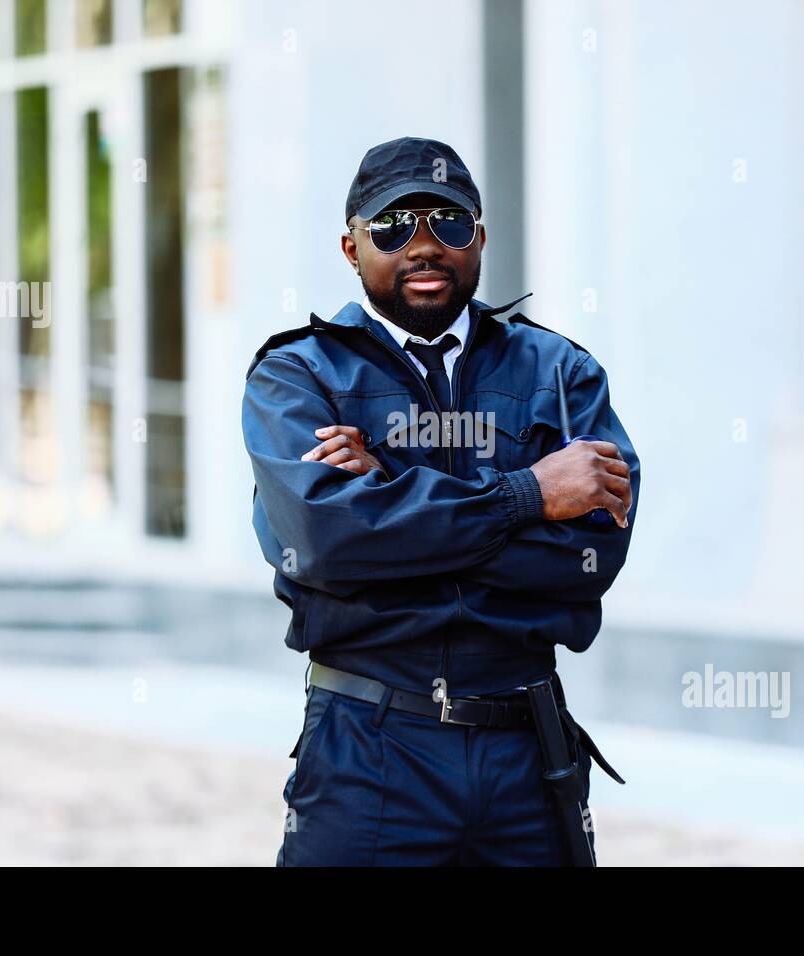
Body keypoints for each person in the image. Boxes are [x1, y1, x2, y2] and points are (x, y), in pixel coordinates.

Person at [242, 136, 640, 865]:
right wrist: (531, 495)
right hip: (368, 749)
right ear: (350, 246)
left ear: (480, 237)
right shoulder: (297, 376)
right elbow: (327, 541)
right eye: (394, 226)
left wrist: (388, 498)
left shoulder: (559, 373)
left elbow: (588, 559)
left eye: (448, 223)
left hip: (527, 755)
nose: (424, 245)